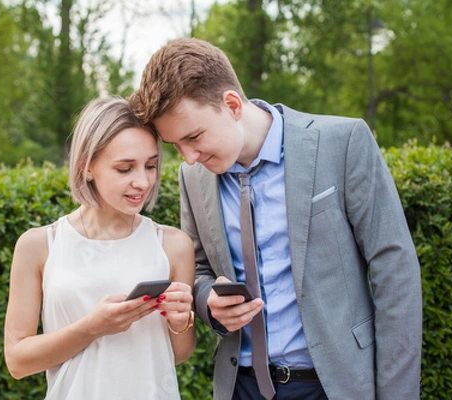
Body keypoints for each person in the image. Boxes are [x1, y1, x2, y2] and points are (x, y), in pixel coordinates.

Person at [130, 38, 422, 400]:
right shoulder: (193, 178)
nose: (188, 158)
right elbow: (199, 270)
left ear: (232, 105)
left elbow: (396, 272)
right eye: (176, 146)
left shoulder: (342, 142)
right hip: (242, 386)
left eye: (194, 137)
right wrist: (209, 305)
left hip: (335, 385)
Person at [3, 96, 196, 399]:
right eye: (125, 169)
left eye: (150, 166)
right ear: (86, 166)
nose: (143, 182)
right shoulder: (39, 245)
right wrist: (91, 328)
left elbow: (179, 353)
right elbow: (17, 361)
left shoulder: (173, 245)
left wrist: (181, 320)